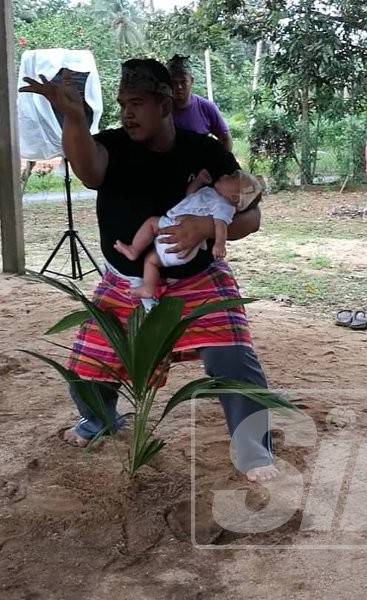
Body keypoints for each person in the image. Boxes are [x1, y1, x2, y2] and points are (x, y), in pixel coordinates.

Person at [20, 58, 278, 483]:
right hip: (128, 282)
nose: (127, 113)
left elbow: (252, 218)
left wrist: (205, 227)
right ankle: (98, 421)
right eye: (122, 103)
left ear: (163, 103)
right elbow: (88, 170)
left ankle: (253, 453)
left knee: (233, 360)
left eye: (137, 103)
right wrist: (71, 115)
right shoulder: (111, 145)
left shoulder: (206, 151)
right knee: (88, 366)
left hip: (198, 279)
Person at [114, 168, 262, 299]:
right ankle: (148, 289)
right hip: (176, 239)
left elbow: (221, 225)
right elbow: (190, 195)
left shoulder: (224, 206)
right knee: (151, 261)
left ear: (235, 198)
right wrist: (198, 181)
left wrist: (219, 244)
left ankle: (134, 249)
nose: (224, 175)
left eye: (230, 178)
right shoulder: (211, 193)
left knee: (152, 222)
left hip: (179, 232)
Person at [166, 54, 233, 152]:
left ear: (191, 81)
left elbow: (226, 138)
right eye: (174, 82)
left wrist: (219, 164)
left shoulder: (206, 107)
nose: (179, 87)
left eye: (183, 81)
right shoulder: (161, 108)